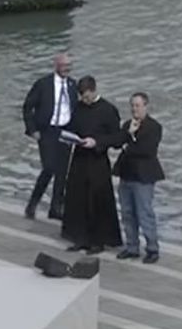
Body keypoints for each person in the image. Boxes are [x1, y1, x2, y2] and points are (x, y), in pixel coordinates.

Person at [60, 76, 124, 254]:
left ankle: (98, 240)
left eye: (87, 97)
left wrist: (97, 142)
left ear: (94, 91)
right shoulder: (78, 107)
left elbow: (117, 138)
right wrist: (69, 137)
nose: (85, 101)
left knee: (97, 200)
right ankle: (80, 238)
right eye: (82, 97)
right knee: (77, 198)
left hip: (98, 160)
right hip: (79, 158)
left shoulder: (108, 110)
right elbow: (71, 127)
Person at [22, 53, 78, 220]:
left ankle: (56, 207)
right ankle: (33, 203)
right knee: (49, 167)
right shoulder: (43, 84)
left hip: (66, 131)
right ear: (56, 65)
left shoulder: (73, 85)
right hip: (47, 131)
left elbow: (76, 107)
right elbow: (27, 107)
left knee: (62, 172)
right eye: (64, 65)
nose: (67, 68)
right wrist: (32, 129)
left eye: (69, 65)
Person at [114, 92, 164, 263]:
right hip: (126, 174)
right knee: (127, 212)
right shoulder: (127, 125)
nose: (134, 109)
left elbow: (147, 150)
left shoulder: (154, 127)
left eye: (137, 105)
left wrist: (129, 144)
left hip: (143, 176)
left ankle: (152, 248)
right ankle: (132, 247)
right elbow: (118, 142)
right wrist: (129, 134)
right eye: (132, 106)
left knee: (144, 212)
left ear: (145, 106)